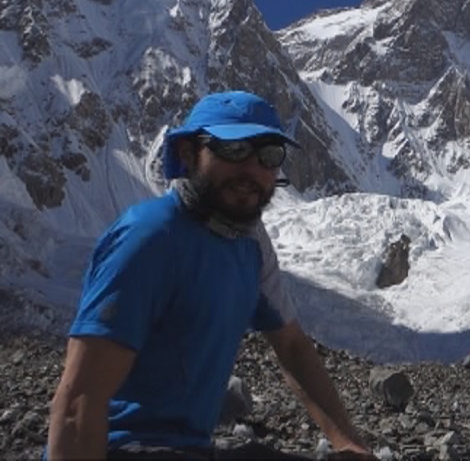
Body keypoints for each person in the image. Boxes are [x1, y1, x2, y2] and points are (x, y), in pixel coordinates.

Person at [46, 91, 377, 460]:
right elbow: (79, 400)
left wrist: (351, 446)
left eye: (269, 155)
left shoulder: (250, 244)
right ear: (188, 153)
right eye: (233, 149)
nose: (252, 170)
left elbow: (293, 346)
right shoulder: (149, 239)